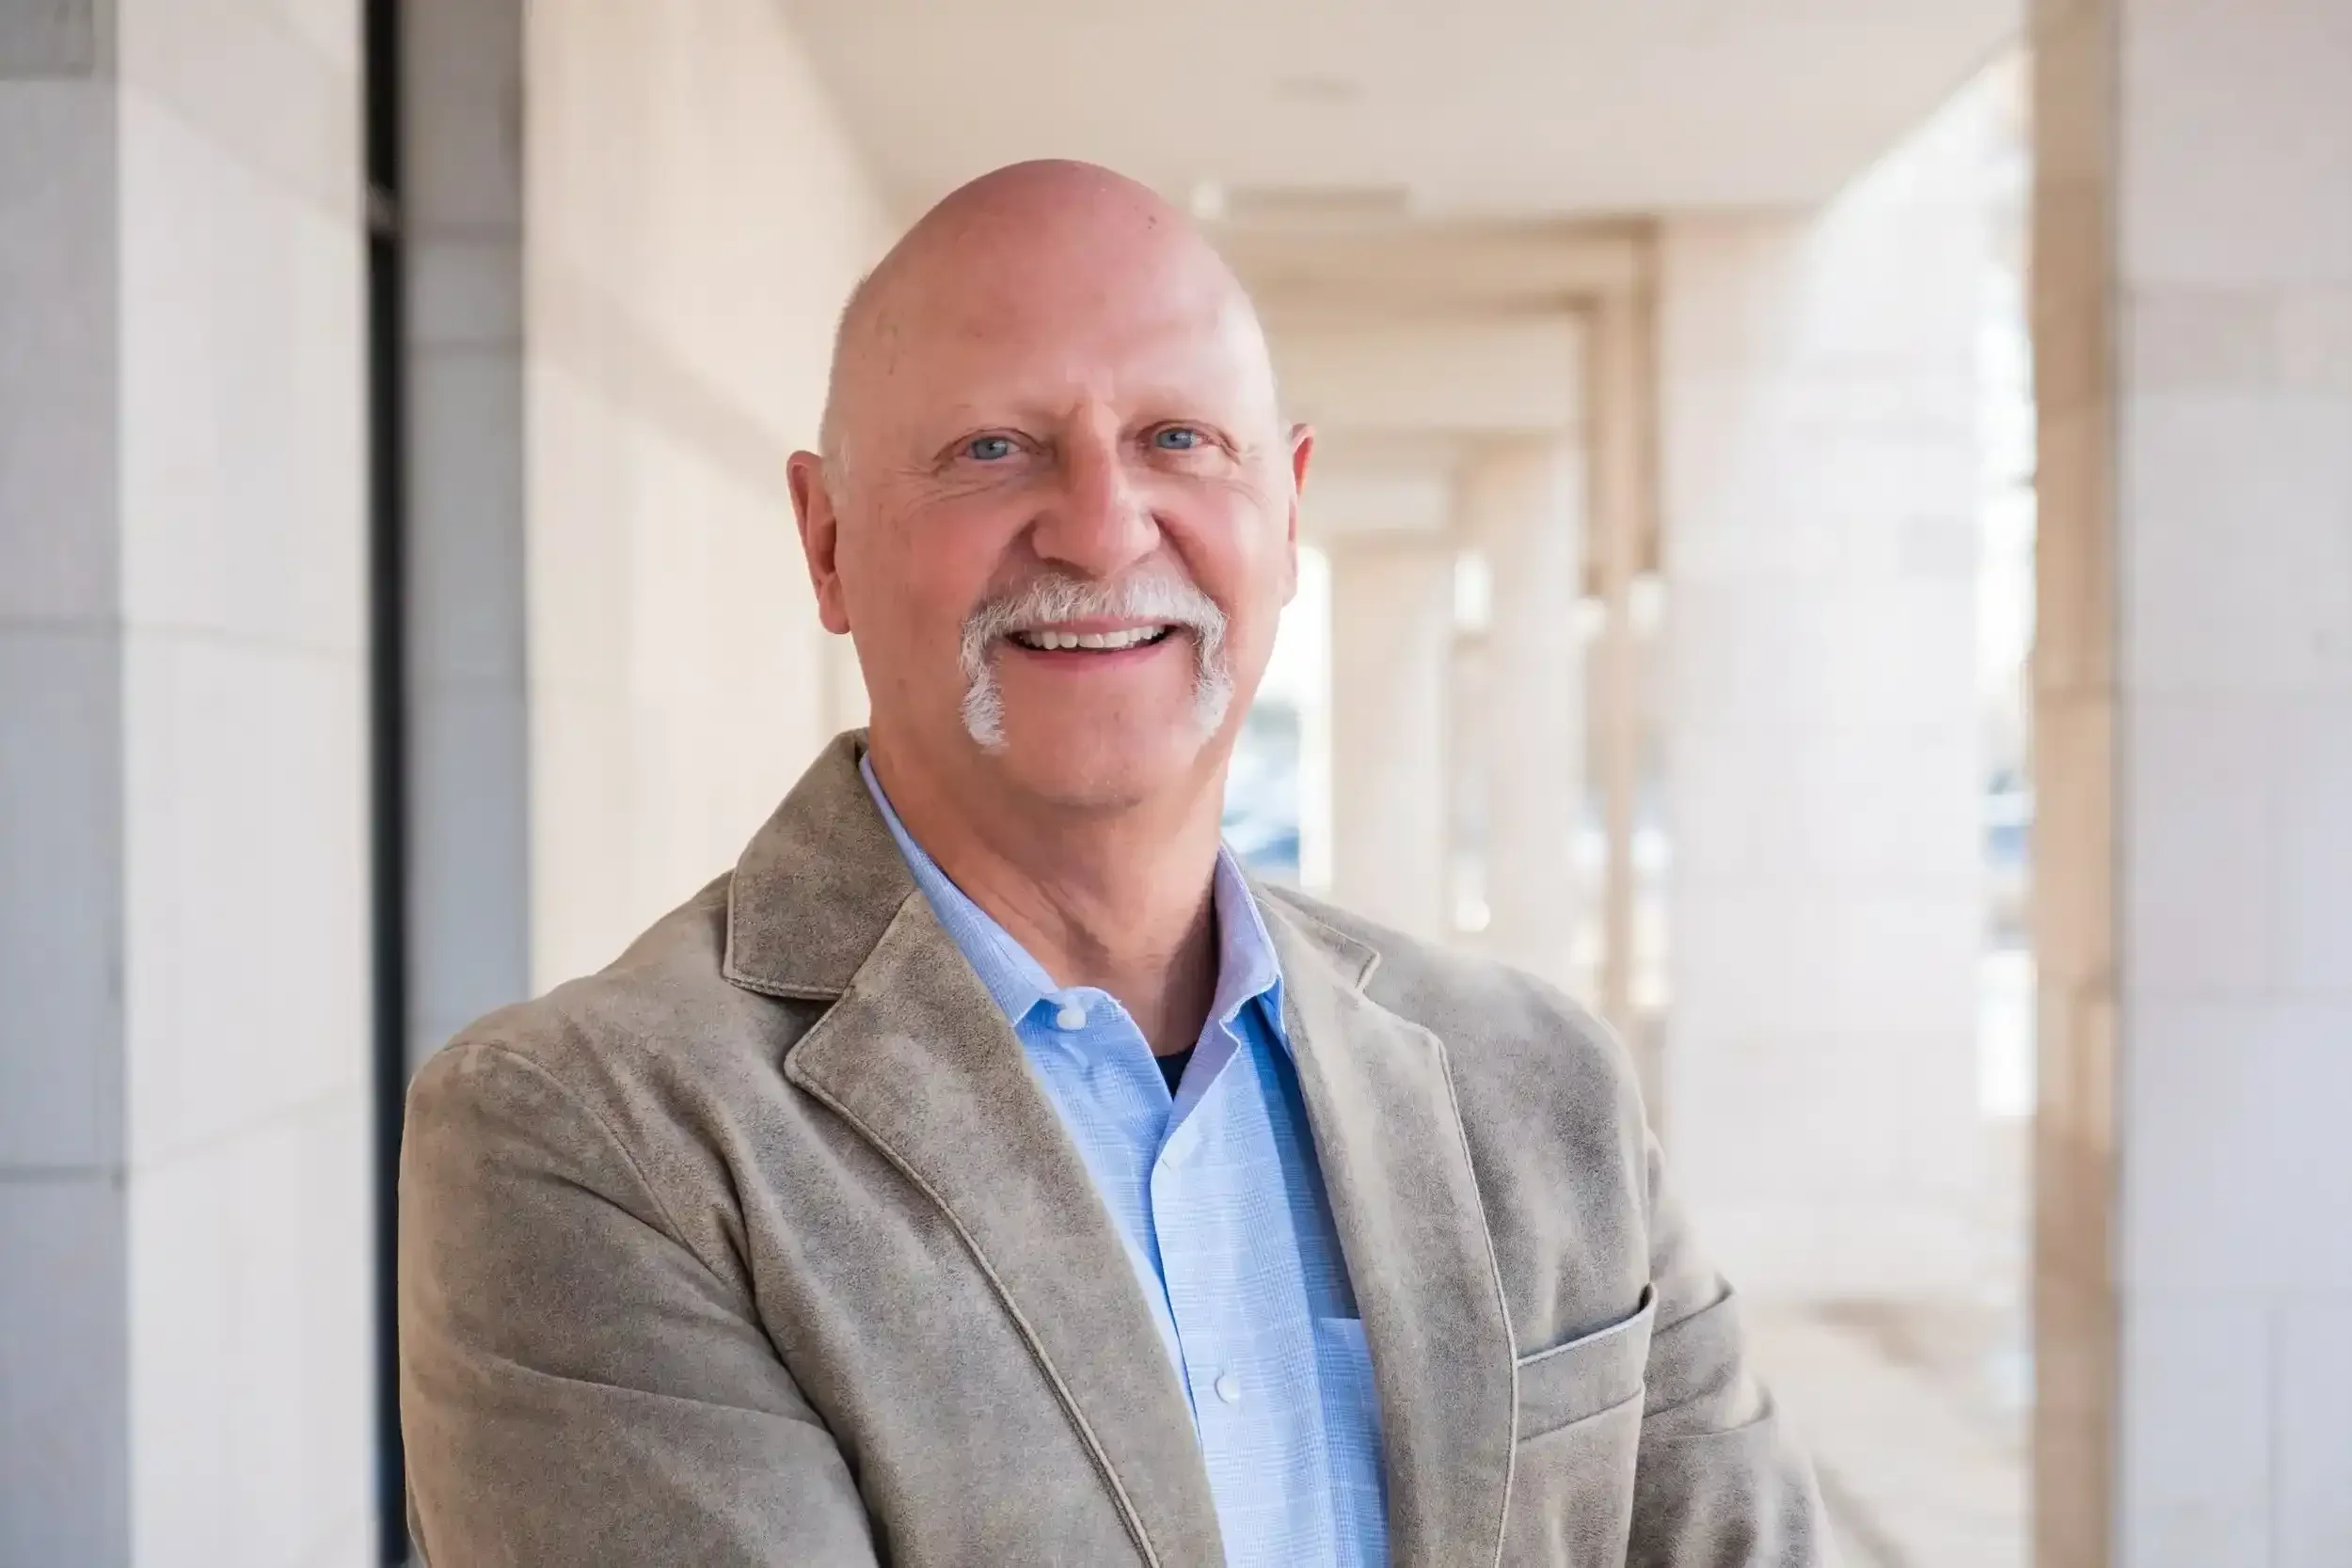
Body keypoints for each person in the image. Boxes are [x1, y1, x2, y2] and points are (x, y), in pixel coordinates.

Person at [398, 159, 1828, 1567]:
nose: (1098, 527)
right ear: (826, 542)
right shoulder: (590, 1139)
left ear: (1286, 510)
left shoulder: (1541, 1086)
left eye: (1179, 440)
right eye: (991, 450)